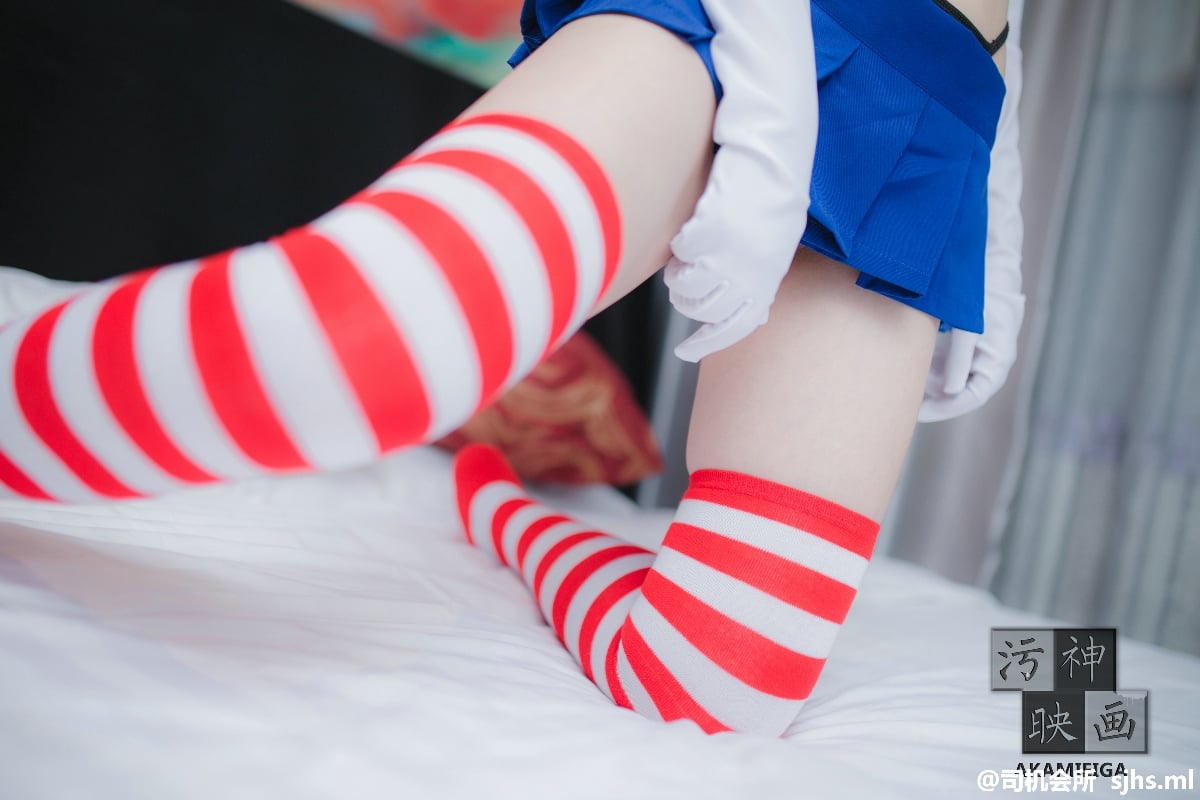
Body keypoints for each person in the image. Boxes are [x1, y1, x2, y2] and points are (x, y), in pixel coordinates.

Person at [0, 0, 1024, 735]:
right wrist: (771, 105)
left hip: (942, 96)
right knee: (359, 341)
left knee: (719, 682)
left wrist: (998, 214)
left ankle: (497, 500)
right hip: (755, 13)